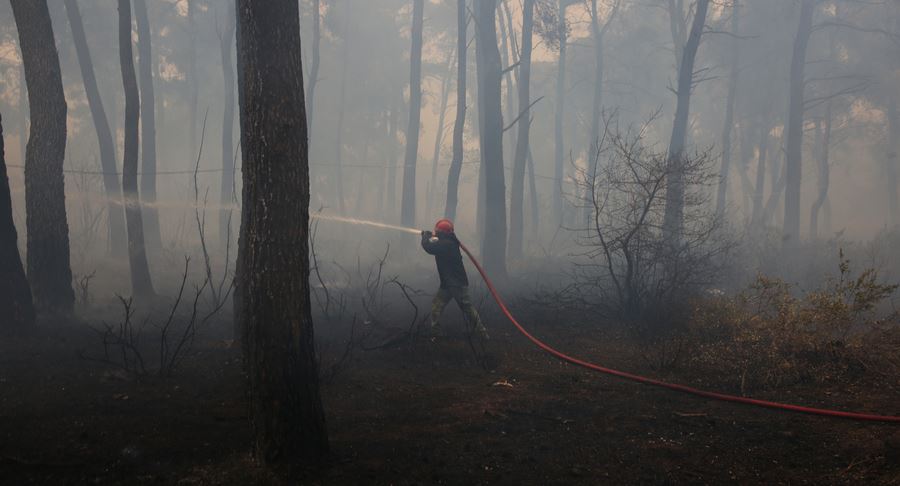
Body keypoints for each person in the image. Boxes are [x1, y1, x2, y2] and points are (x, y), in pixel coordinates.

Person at [421, 219, 489, 339]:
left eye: (437, 231)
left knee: (467, 307)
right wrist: (429, 236)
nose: (435, 232)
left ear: (441, 232)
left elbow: (429, 248)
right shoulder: (448, 241)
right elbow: (434, 243)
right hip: (448, 283)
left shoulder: (447, 244)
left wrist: (425, 237)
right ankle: (436, 331)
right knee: (437, 304)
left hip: (457, 283)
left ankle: (481, 333)